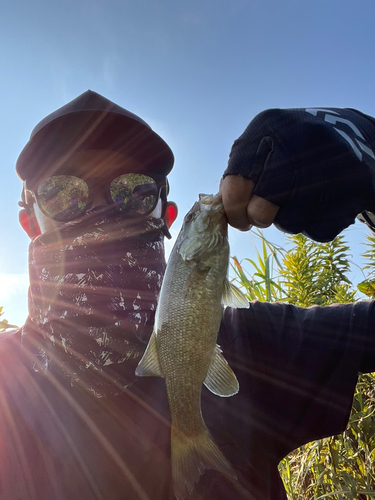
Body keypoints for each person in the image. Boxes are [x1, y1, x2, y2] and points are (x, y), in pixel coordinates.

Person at [2, 93, 374, 500]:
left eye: (134, 191)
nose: (100, 211)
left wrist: (366, 153)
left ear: (167, 215)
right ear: (29, 221)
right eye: (61, 194)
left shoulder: (255, 342)